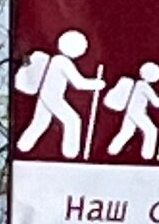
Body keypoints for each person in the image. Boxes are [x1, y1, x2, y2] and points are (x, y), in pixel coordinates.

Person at [13, 26, 101, 156]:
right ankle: (71, 153)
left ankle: (23, 146)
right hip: (53, 97)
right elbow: (78, 83)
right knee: (72, 120)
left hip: (45, 95)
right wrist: (97, 84)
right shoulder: (62, 62)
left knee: (40, 122)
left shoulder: (56, 60)